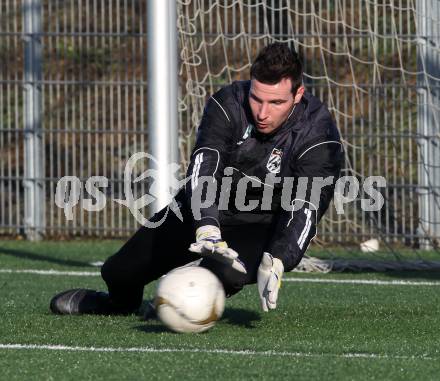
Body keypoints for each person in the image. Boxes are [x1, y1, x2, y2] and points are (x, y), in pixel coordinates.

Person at [50, 42, 344, 315]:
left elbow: (307, 205)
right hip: (203, 211)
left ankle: (167, 307)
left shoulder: (318, 135)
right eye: (257, 99)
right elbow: (204, 168)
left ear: (298, 95)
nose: (263, 113)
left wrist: (281, 258)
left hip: (262, 227)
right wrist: (206, 227)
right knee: (118, 272)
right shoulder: (228, 104)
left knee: (217, 277)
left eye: (276, 103)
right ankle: (118, 304)